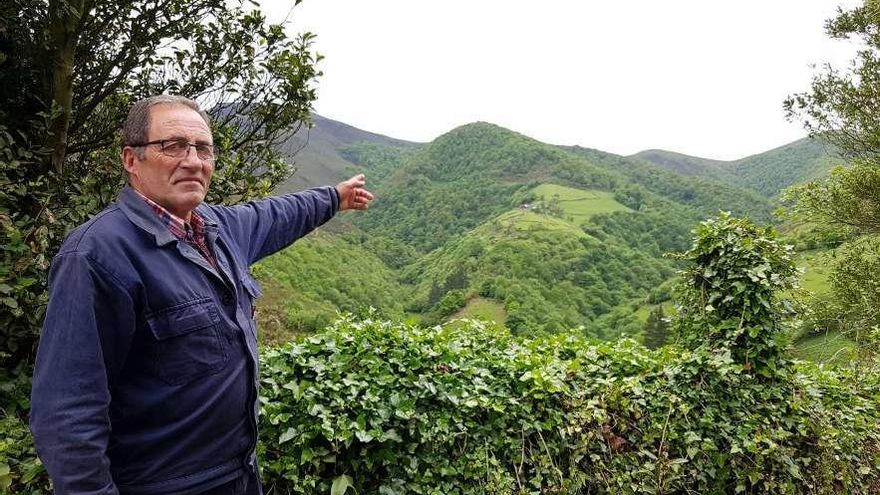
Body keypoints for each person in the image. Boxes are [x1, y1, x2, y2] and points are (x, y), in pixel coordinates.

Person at [29, 95, 374, 494]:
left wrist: (336, 197)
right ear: (131, 159)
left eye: (203, 148)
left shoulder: (216, 229)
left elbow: (278, 214)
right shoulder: (98, 255)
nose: (193, 160)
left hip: (238, 476)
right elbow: (67, 412)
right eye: (172, 146)